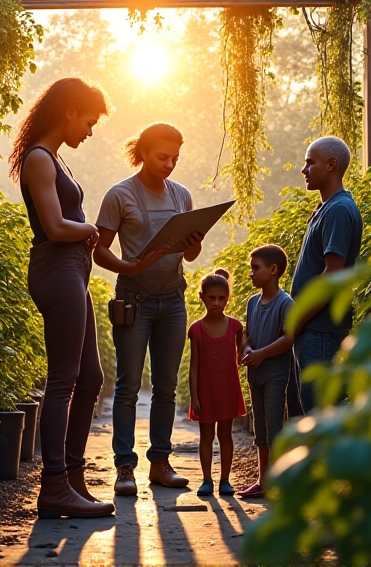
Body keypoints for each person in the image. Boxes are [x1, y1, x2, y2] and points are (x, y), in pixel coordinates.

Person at [9, 77, 115, 519]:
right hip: (56, 269)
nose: (90, 131)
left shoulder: (54, 159)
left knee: (91, 378)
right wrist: (90, 229)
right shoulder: (39, 159)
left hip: (73, 270)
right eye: (89, 121)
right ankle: (53, 485)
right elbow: (54, 227)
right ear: (69, 111)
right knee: (64, 380)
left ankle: (72, 478)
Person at [94, 122, 204, 495]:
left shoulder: (182, 196)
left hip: (173, 300)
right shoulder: (119, 195)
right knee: (127, 386)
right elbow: (99, 250)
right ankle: (125, 468)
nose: (170, 164)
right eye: (162, 157)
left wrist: (193, 244)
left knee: (166, 386)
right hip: (133, 299)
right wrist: (129, 267)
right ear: (142, 152)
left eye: (175, 158)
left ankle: (160, 463)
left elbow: (189, 254)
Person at [290, 135, 363, 414]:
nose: (304, 169)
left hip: (320, 331)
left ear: (331, 165)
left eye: (310, 163)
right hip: (313, 330)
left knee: (322, 416)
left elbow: (332, 275)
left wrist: (298, 318)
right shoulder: (326, 208)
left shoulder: (339, 210)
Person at [237, 244, 296, 498]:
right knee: (260, 428)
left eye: (255, 268)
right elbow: (247, 335)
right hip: (255, 374)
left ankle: (279, 480)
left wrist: (261, 354)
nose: (251, 274)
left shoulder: (285, 303)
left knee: (274, 427)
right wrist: (247, 349)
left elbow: (288, 338)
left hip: (275, 373)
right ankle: (263, 480)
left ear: (273, 270)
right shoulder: (252, 303)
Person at [187, 269, 247, 497]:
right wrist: (194, 396)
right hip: (206, 390)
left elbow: (241, 355)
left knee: (225, 435)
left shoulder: (235, 327)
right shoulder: (196, 330)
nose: (216, 303)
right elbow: (194, 365)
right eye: (211, 298)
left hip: (227, 389)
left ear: (227, 298)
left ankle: (225, 480)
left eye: (221, 298)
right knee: (206, 435)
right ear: (202, 297)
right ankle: (206, 480)